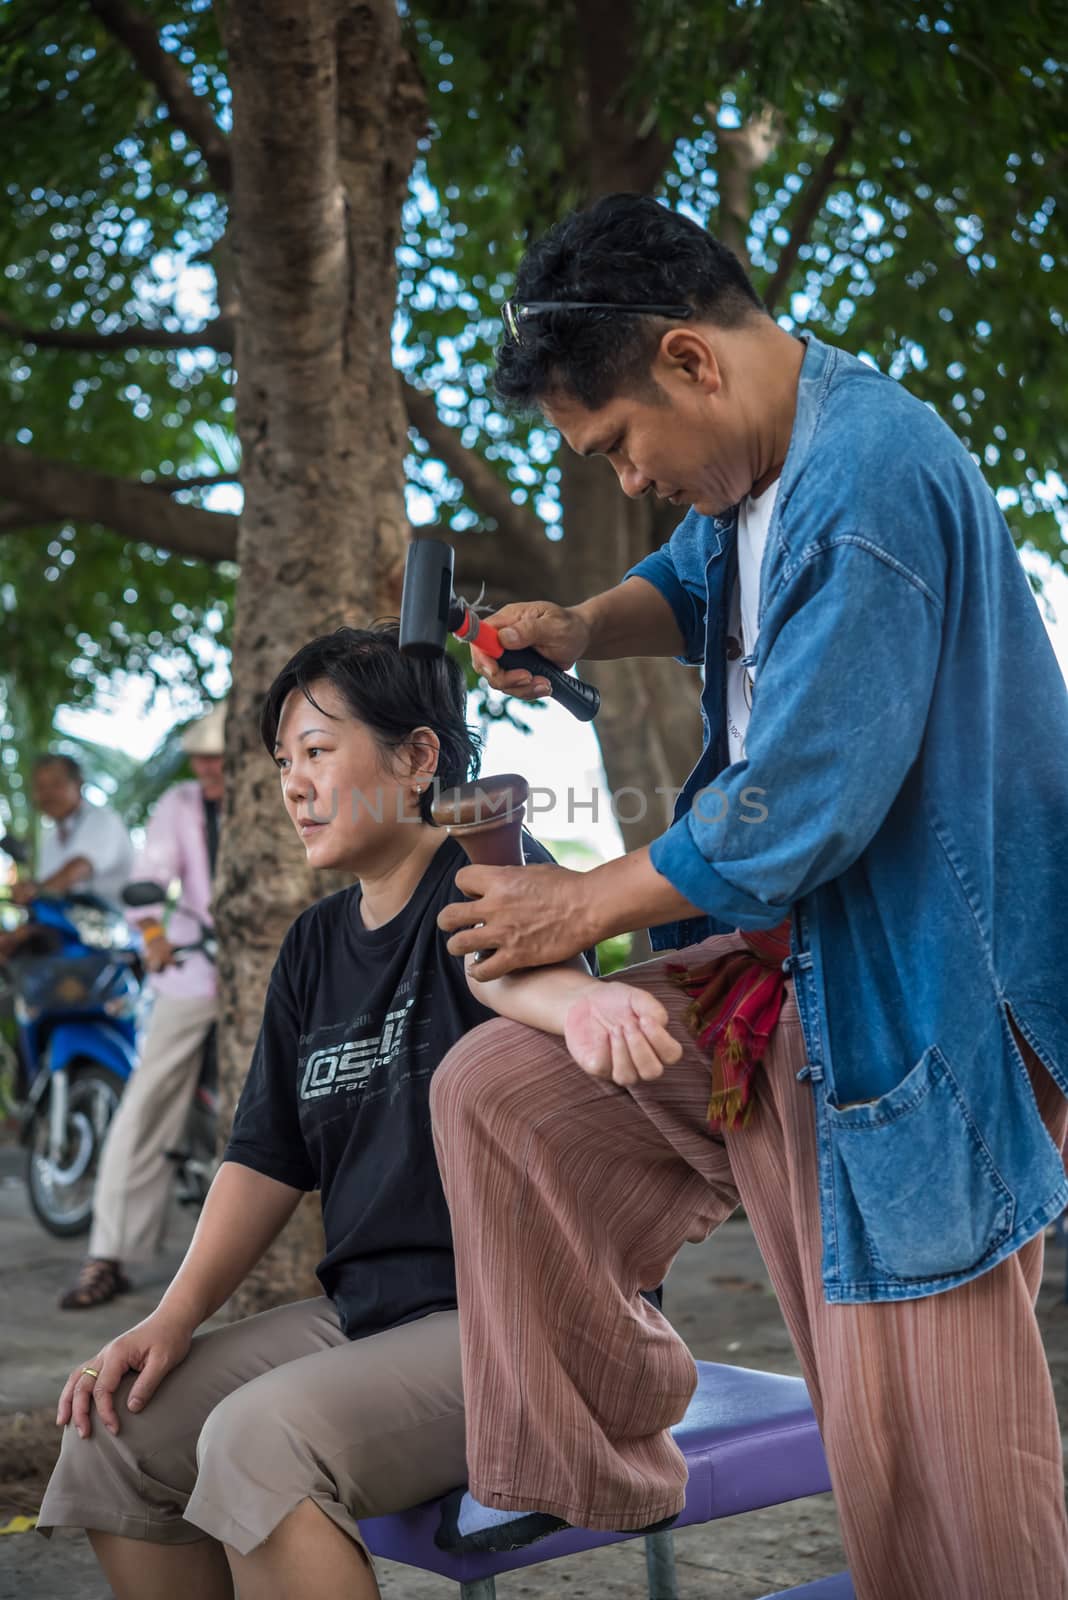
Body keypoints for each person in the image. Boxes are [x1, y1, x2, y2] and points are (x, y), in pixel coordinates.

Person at [427, 194, 1068, 1599]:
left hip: (927, 1013)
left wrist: (578, 906)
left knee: (924, 1458)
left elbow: (799, 802)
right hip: (785, 988)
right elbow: (697, 573)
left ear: (688, 361)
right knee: (499, 1091)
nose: (634, 478)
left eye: (618, 447)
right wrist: (587, 623)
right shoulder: (762, 471)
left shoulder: (870, 476)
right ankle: (585, 1468)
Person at [37, 624, 655, 1600]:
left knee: (258, 1439)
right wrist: (170, 1317)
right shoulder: (316, 944)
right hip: (376, 1313)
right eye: (283, 761)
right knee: (114, 1433)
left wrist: (586, 996)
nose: (291, 784)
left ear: (417, 757)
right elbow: (263, 1155)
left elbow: (550, 984)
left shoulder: (491, 878)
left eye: (318, 751)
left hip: (527, 1320)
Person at [59, 703, 227, 1310]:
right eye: (201, 755)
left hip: (271, 971)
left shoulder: (281, 795)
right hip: (194, 967)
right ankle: (109, 1254)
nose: (208, 765)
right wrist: (153, 936)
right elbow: (151, 876)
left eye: (219, 754)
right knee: (147, 1100)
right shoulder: (181, 805)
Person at [0, 755, 134, 962]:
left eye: (56, 784)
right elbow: (51, 902)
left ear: (78, 784)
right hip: (72, 937)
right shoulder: (51, 839)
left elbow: (76, 870)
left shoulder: (102, 820)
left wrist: (34, 889)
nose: (47, 794)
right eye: (40, 787)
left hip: (116, 939)